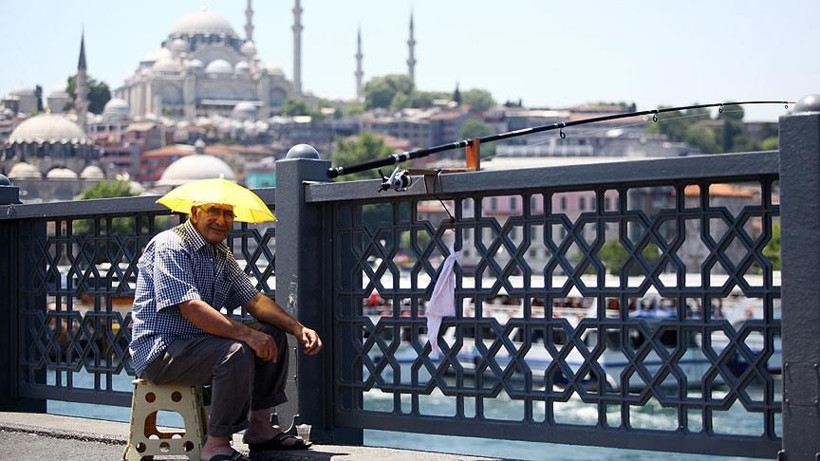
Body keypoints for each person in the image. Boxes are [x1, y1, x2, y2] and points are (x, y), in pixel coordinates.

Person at [130, 202, 322, 461]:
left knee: (271, 333)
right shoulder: (170, 245)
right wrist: (246, 335)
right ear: (194, 214)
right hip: (161, 351)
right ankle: (216, 445)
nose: (221, 220)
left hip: (199, 343)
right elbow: (191, 307)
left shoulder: (220, 253)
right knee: (235, 352)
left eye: (228, 214)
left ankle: (260, 428)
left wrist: (298, 328)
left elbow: (254, 300)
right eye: (213, 212)